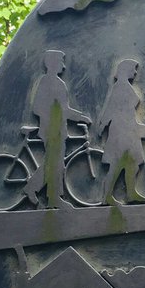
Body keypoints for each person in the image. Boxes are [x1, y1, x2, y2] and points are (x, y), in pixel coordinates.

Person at [26, 50, 91, 209]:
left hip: (57, 130)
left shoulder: (57, 83)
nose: (63, 66)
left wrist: (76, 115)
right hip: (51, 131)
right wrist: (79, 117)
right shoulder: (48, 82)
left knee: (54, 163)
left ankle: (34, 189)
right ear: (53, 63)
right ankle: (53, 199)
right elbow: (38, 108)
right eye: (61, 61)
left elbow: (63, 109)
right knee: (54, 164)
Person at [97, 58, 145, 204]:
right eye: (133, 69)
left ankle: (131, 192)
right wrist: (103, 124)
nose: (135, 72)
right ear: (125, 70)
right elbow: (111, 107)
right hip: (121, 131)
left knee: (133, 163)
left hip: (129, 129)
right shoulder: (120, 87)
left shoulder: (125, 86)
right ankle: (107, 196)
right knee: (117, 163)